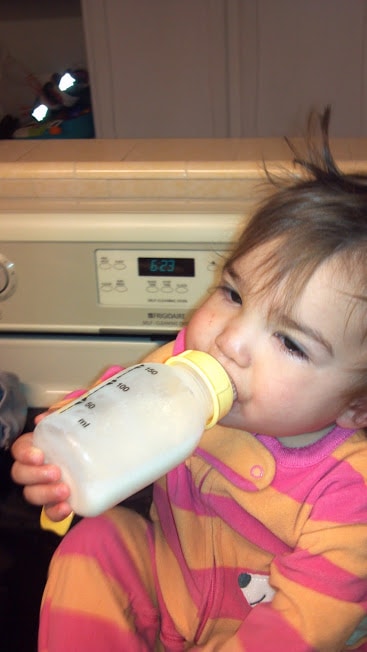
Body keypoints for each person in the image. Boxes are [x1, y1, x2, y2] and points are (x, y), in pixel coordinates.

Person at [11, 107, 367, 651]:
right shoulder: (179, 367)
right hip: (173, 585)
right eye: (232, 294)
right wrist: (53, 450)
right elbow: (105, 398)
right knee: (99, 542)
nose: (229, 341)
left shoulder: (350, 491)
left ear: (356, 408)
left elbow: (302, 628)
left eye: (291, 342)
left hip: (266, 633)